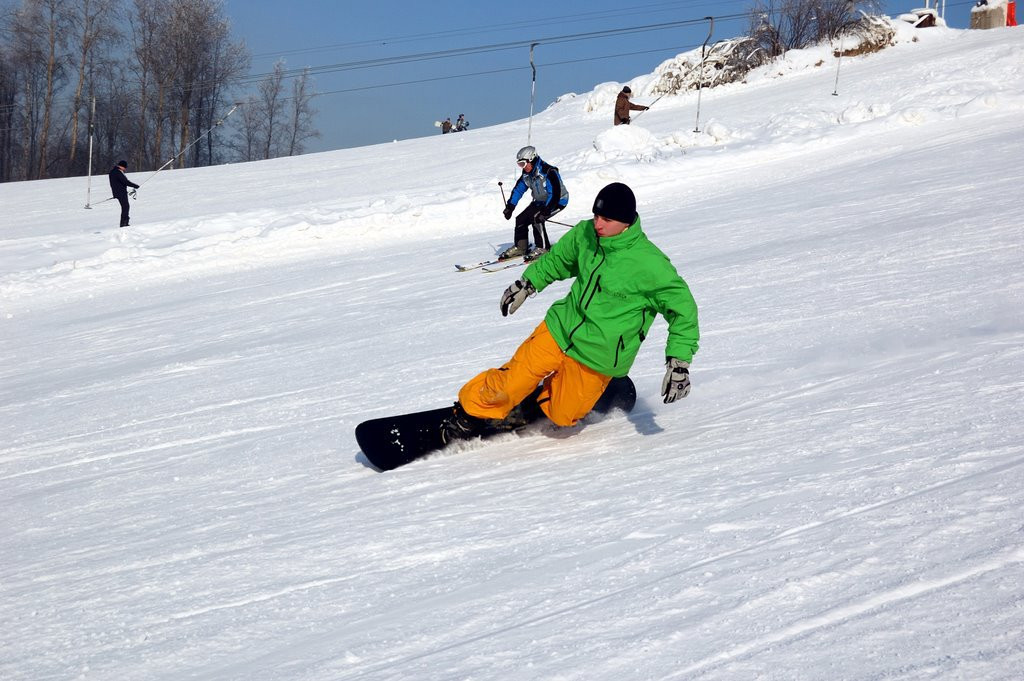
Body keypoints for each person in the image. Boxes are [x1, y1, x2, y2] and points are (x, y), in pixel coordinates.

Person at [443, 182, 699, 442]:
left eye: (606, 219)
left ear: (626, 222)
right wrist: (527, 284)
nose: (597, 224)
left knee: (563, 416)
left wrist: (679, 364)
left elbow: (683, 311)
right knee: (510, 382)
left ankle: (599, 390)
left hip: (597, 354)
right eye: (596, 215)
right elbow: (557, 261)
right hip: (560, 327)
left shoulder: (650, 265)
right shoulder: (586, 234)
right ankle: (466, 416)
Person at [500, 145, 569, 261]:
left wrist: (546, 210)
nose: (522, 167)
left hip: (557, 201)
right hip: (540, 202)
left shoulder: (548, 171)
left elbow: (555, 193)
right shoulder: (527, 175)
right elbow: (518, 190)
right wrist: (510, 207)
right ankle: (521, 247)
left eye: (522, 164)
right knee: (521, 219)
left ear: (531, 159)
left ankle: (543, 248)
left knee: (537, 218)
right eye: (519, 164)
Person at [108, 160, 140, 228]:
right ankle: (124, 223)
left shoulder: (113, 171)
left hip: (117, 192)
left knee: (125, 206)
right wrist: (135, 185)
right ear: (122, 166)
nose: (125, 169)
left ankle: (124, 223)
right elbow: (125, 181)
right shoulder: (118, 172)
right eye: (125, 167)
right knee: (126, 207)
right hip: (121, 192)